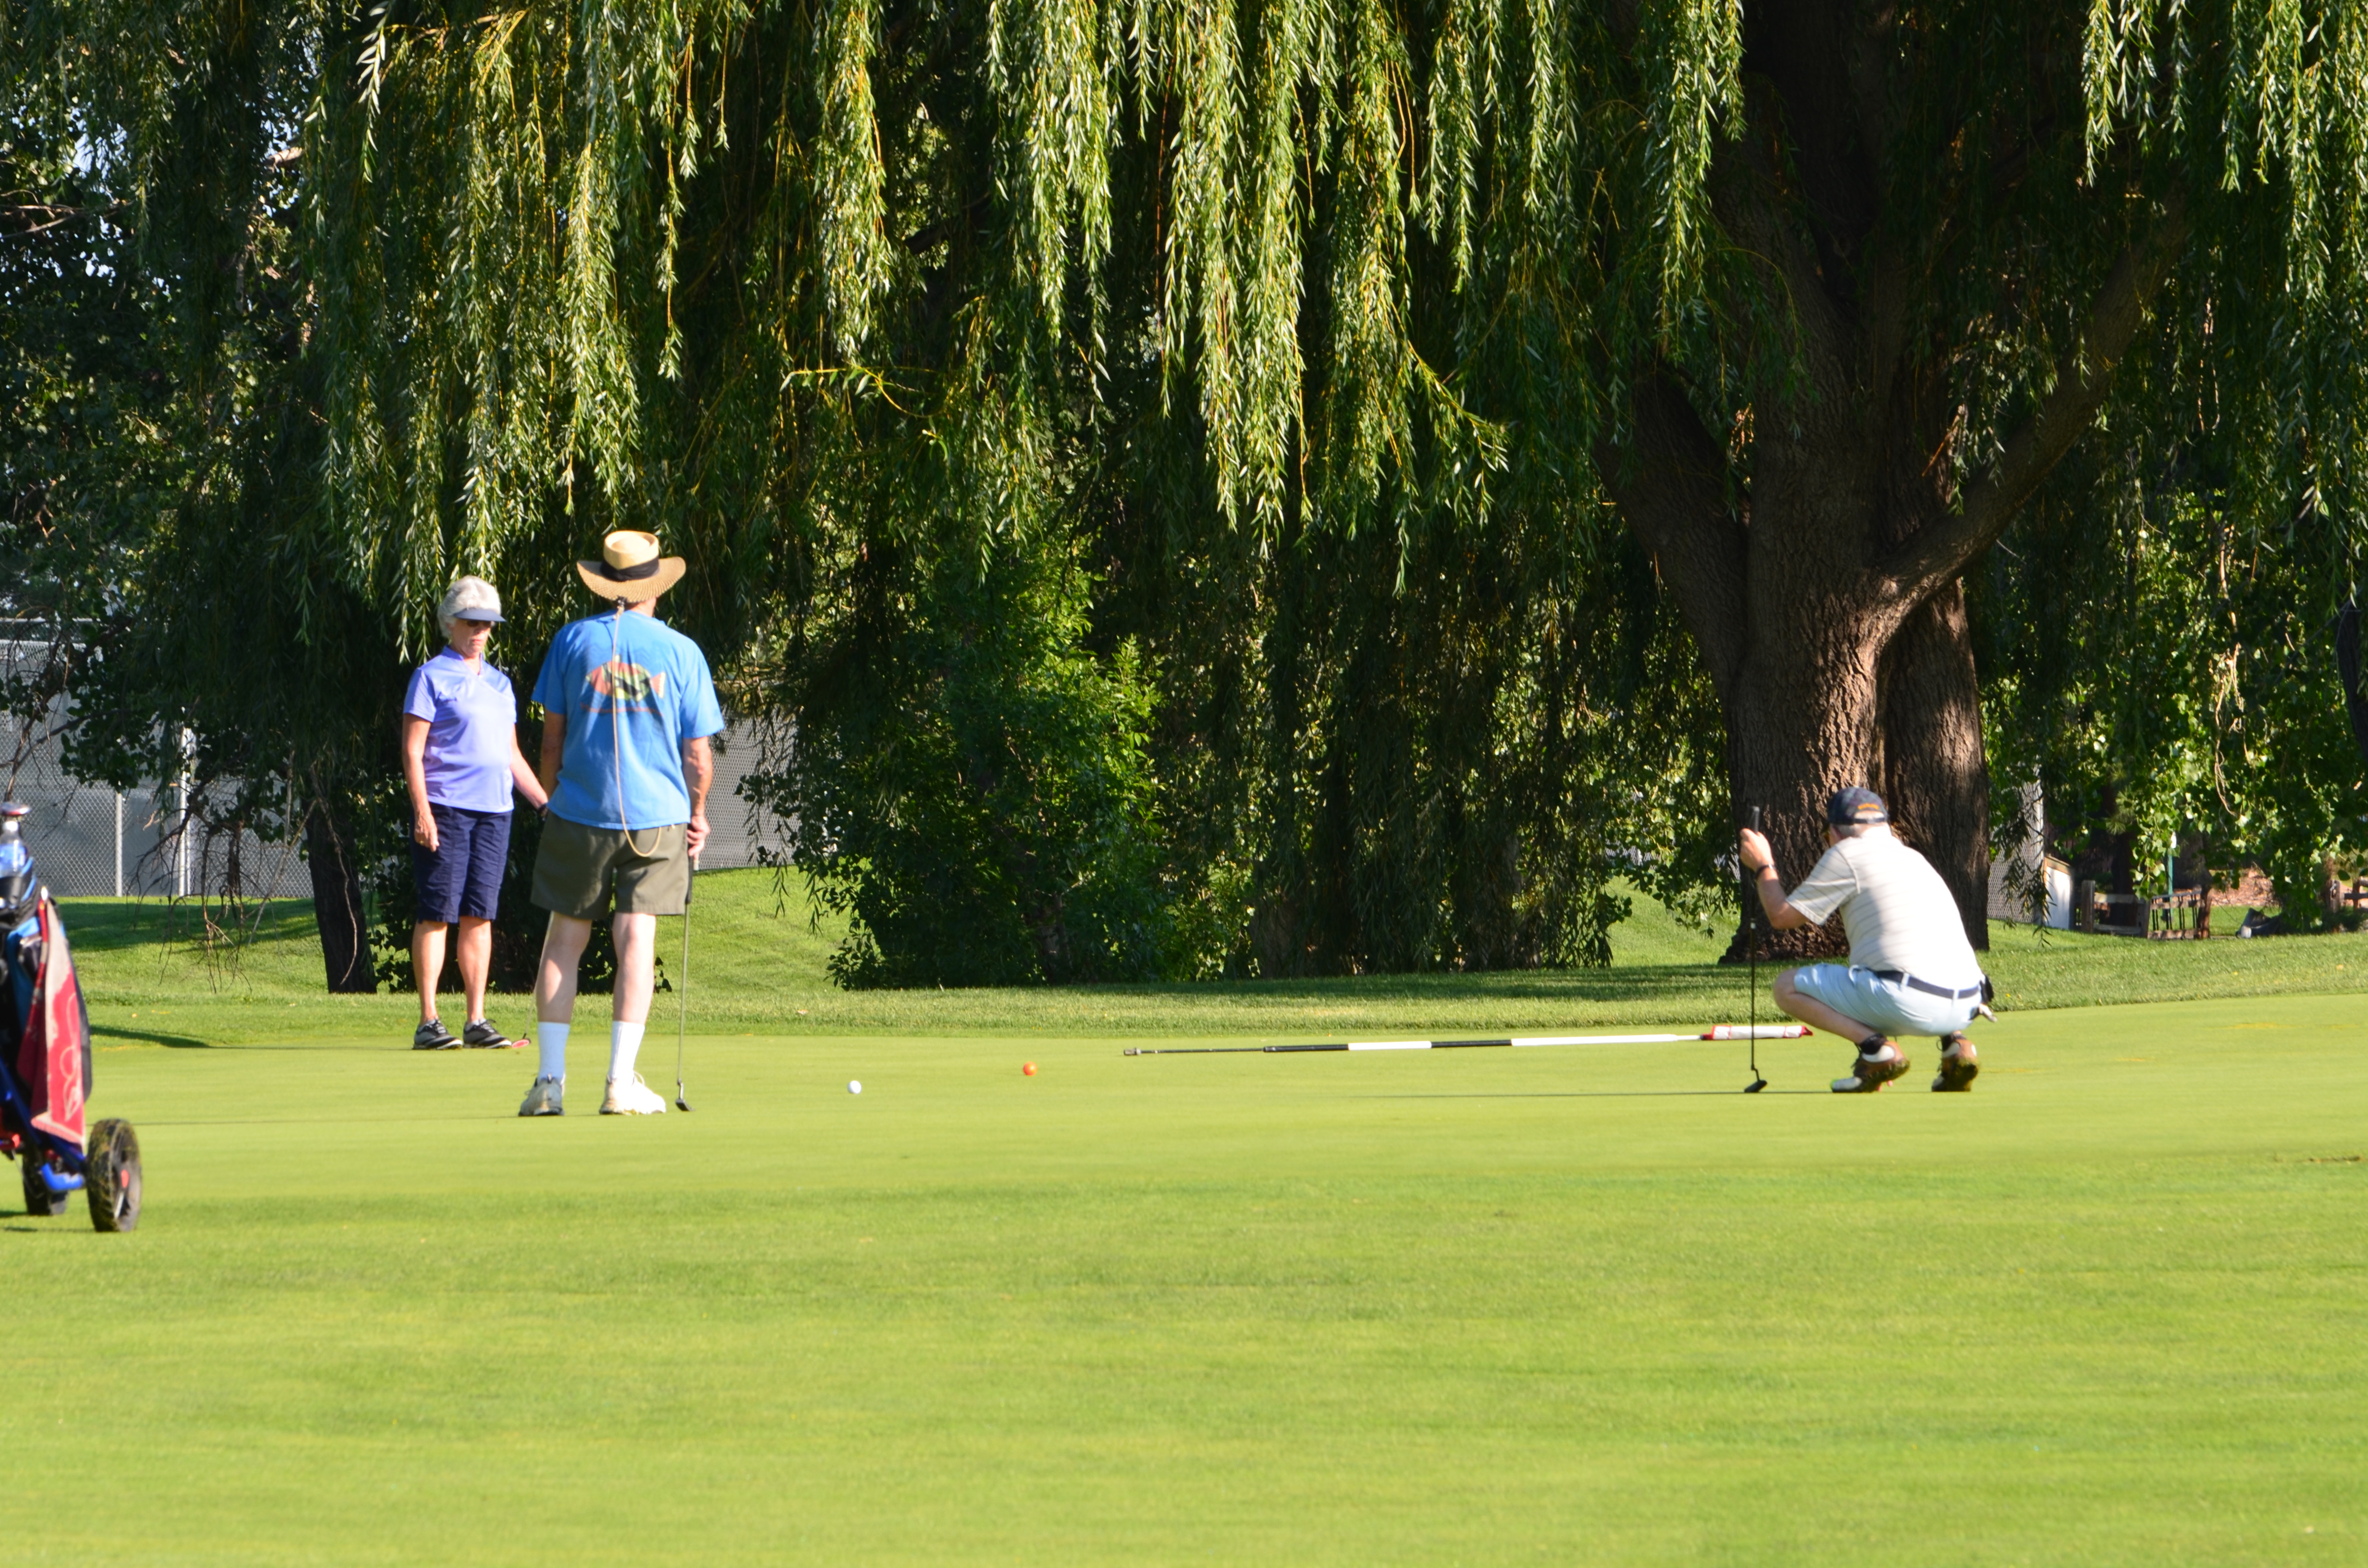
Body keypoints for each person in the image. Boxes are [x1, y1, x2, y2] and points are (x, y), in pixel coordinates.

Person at [518, 530, 722, 1117]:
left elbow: (551, 738)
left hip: (580, 810)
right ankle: (618, 1082)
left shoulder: (571, 640)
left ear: (606, 584)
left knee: (564, 940)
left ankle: (549, 1084)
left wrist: (553, 799)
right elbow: (697, 754)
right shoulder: (681, 651)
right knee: (636, 940)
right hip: (658, 816)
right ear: (654, 589)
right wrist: (700, 812)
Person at [1737, 786, 1991, 1094]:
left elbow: (1781, 917)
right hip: (1970, 1003)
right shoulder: (1913, 857)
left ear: (1834, 831)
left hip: (1908, 1001)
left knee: (1786, 987)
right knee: (1904, 962)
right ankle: (1957, 1048)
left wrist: (1763, 865)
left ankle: (1876, 1052)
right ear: (1883, 826)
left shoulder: (1845, 854)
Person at [401, 577, 550, 1051]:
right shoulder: (430, 677)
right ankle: (429, 1021)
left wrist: (546, 804)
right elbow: (412, 750)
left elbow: (511, 756)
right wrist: (421, 810)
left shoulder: (501, 685)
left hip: (495, 812)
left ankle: (476, 1020)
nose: (479, 632)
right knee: (437, 913)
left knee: (479, 915)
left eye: (487, 625)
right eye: (471, 623)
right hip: (446, 807)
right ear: (450, 623)